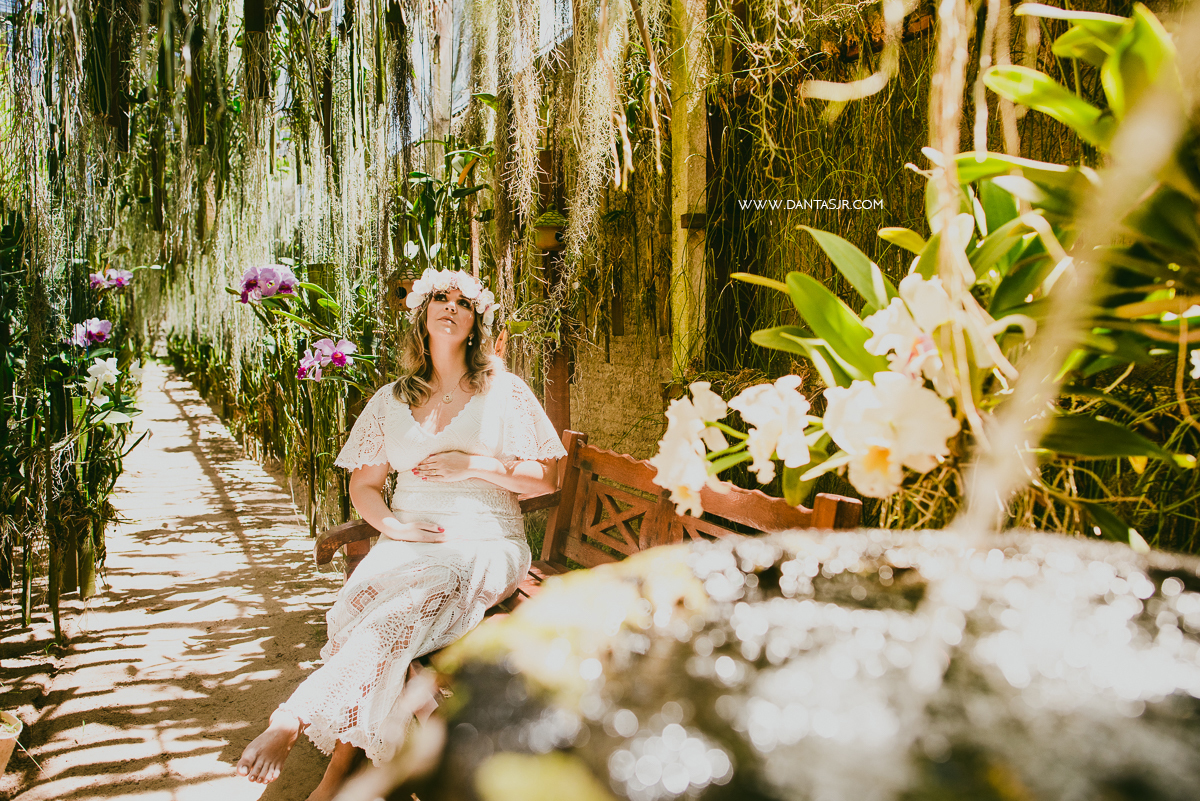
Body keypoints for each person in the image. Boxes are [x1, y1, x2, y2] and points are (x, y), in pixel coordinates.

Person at [235, 268, 566, 801]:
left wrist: (474, 464)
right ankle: (335, 773)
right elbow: (364, 485)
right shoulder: (392, 400)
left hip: (485, 539)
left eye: (463, 301)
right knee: (379, 611)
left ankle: (294, 720)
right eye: (440, 297)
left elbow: (545, 478)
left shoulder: (504, 389)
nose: (451, 306)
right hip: (408, 541)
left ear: (476, 321)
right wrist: (393, 526)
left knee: (416, 596)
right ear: (422, 315)